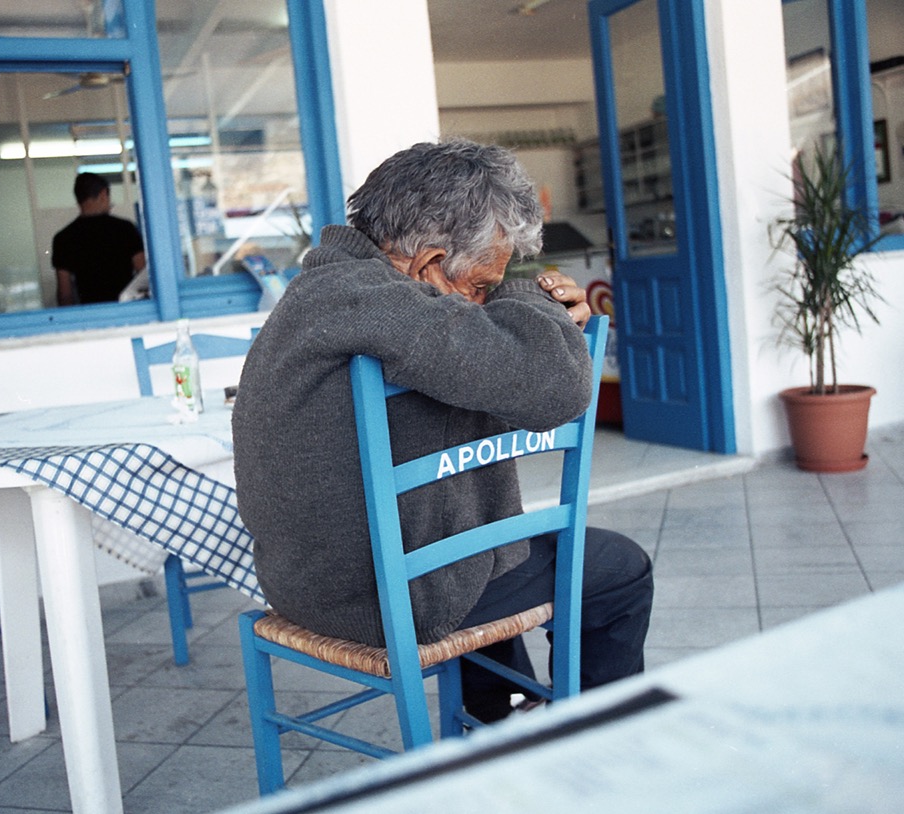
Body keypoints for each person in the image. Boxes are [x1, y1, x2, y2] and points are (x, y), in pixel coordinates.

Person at [232, 138, 654, 723]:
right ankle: (587, 746)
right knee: (619, 569)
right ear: (428, 263)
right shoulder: (373, 302)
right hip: (377, 597)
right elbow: (559, 388)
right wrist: (533, 305)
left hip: (318, 578)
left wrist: (522, 314)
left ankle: (494, 717)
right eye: (480, 285)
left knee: (485, 539)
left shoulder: (331, 290)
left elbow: (503, 394)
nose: (481, 302)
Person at [51, 172, 146, 305]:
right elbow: (143, 274)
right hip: (126, 311)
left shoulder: (63, 238)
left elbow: (65, 293)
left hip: (91, 315)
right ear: (103, 194)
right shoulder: (125, 229)